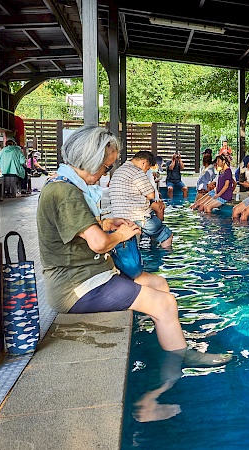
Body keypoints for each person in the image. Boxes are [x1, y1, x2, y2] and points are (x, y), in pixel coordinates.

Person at [36, 126, 230, 367]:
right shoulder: (65, 192)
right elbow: (98, 243)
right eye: (106, 167)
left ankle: (167, 332)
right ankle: (180, 360)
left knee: (159, 283)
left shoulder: (63, 185)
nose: (106, 174)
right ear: (91, 160)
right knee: (165, 302)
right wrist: (121, 234)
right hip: (77, 287)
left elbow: (75, 228)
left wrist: (106, 222)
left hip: (91, 276)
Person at [109, 151, 173, 248]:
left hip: (118, 217)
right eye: (147, 168)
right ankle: (163, 256)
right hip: (138, 218)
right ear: (144, 162)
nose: (146, 171)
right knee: (167, 235)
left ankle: (152, 240)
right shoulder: (137, 171)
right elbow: (151, 195)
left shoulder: (119, 171)